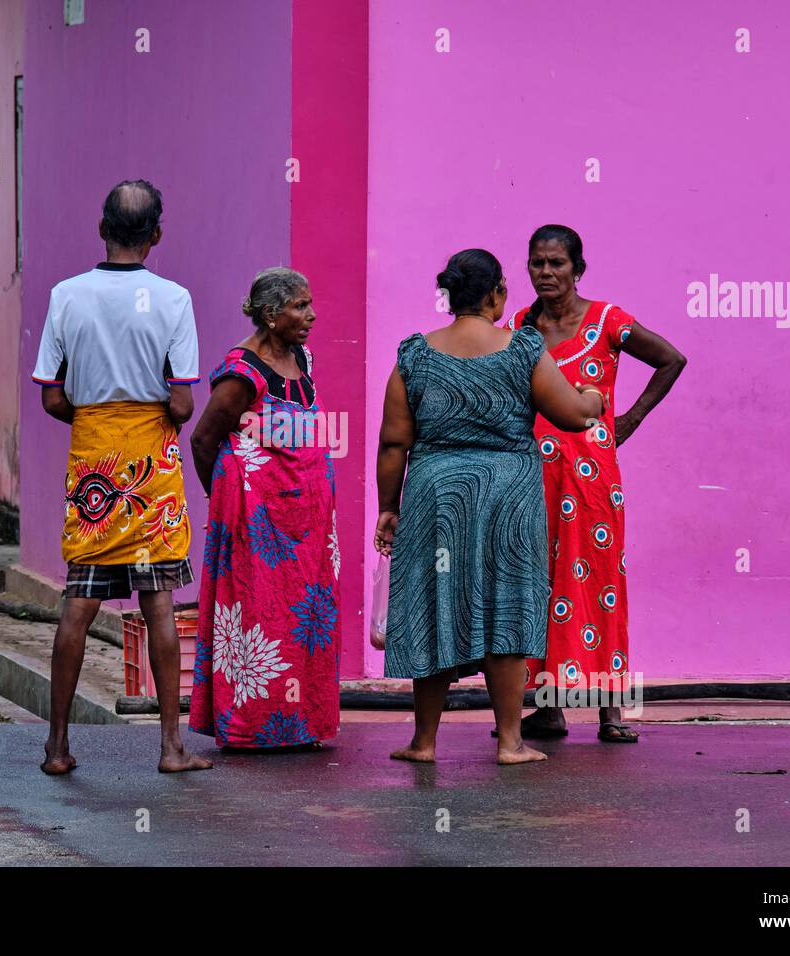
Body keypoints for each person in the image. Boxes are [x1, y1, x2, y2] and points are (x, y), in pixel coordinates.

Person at [375, 249, 605, 764]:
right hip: (509, 493)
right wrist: (593, 397)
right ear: (495, 294)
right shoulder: (522, 348)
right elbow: (570, 415)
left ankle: (423, 742)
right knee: (508, 606)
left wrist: (388, 507)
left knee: (431, 607)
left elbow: (394, 443)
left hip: (435, 493)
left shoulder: (414, 355)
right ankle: (510, 742)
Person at [32, 179, 211, 774]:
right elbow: (184, 406)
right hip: (151, 464)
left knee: (78, 604)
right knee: (159, 603)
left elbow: (52, 399)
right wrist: (150, 409)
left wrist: (96, 414)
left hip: (93, 465)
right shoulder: (174, 299)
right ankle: (170, 747)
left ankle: (57, 747)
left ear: (101, 230)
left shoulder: (66, 295)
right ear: (156, 235)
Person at [504, 224, 686, 743]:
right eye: (537, 263)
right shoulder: (520, 327)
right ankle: (548, 709)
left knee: (600, 582)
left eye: (557, 263)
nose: (546, 272)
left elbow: (671, 359)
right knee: (540, 585)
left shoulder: (609, 320)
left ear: (577, 269)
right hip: (531, 478)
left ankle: (610, 712)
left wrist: (628, 421)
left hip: (590, 479)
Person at [187, 268, 340, 749]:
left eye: (309, 304)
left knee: (304, 619)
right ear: (271, 315)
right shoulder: (242, 371)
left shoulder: (303, 358)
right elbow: (203, 438)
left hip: (308, 526)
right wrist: (229, 497)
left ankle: (302, 724)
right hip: (258, 524)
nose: (310, 315)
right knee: (258, 617)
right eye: (300, 306)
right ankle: (252, 727)